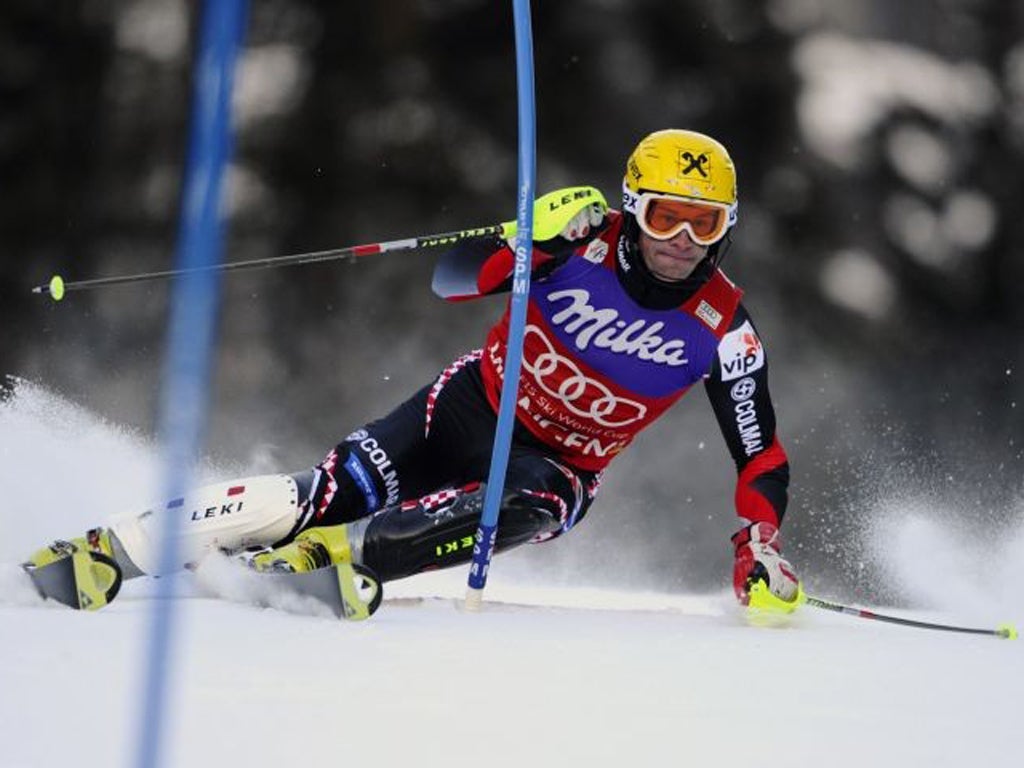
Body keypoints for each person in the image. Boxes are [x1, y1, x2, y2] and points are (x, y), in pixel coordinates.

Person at [25, 129, 800, 608]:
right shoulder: (580, 244)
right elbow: (454, 279)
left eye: (706, 222)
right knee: (325, 491)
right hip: (464, 409)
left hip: (553, 466)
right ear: (633, 207)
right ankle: (112, 550)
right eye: (666, 214)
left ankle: (345, 560)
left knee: (534, 507)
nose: (682, 240)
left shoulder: (723, 326)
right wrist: (534, 239)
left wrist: (758, 543)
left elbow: (760, 452)